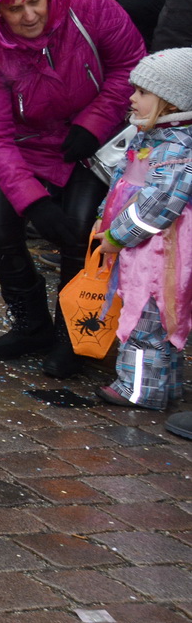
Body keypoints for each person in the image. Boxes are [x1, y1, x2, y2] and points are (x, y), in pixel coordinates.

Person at [0, 0, 142, 378]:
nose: (29, 16)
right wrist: (34, 202)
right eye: (14, 9)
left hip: (99, 140)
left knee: (80, 230)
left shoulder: (89, 5)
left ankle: (74, 335)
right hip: (30, 146)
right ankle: (32, 325)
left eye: (35, 2)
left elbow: (132, 64)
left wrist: (94, 121)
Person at [93, 50, 192, 409]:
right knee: (157, 317)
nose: (132, 98)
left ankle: (138, 390)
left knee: (147, 316)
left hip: (160, 251)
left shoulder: (178, 148)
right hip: (142, 246)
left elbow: (157, 205)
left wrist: (117, 235)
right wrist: (104, 217)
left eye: (143, 92)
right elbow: (121, 181)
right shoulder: (151, 137)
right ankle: (167, 385)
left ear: (172, 102)